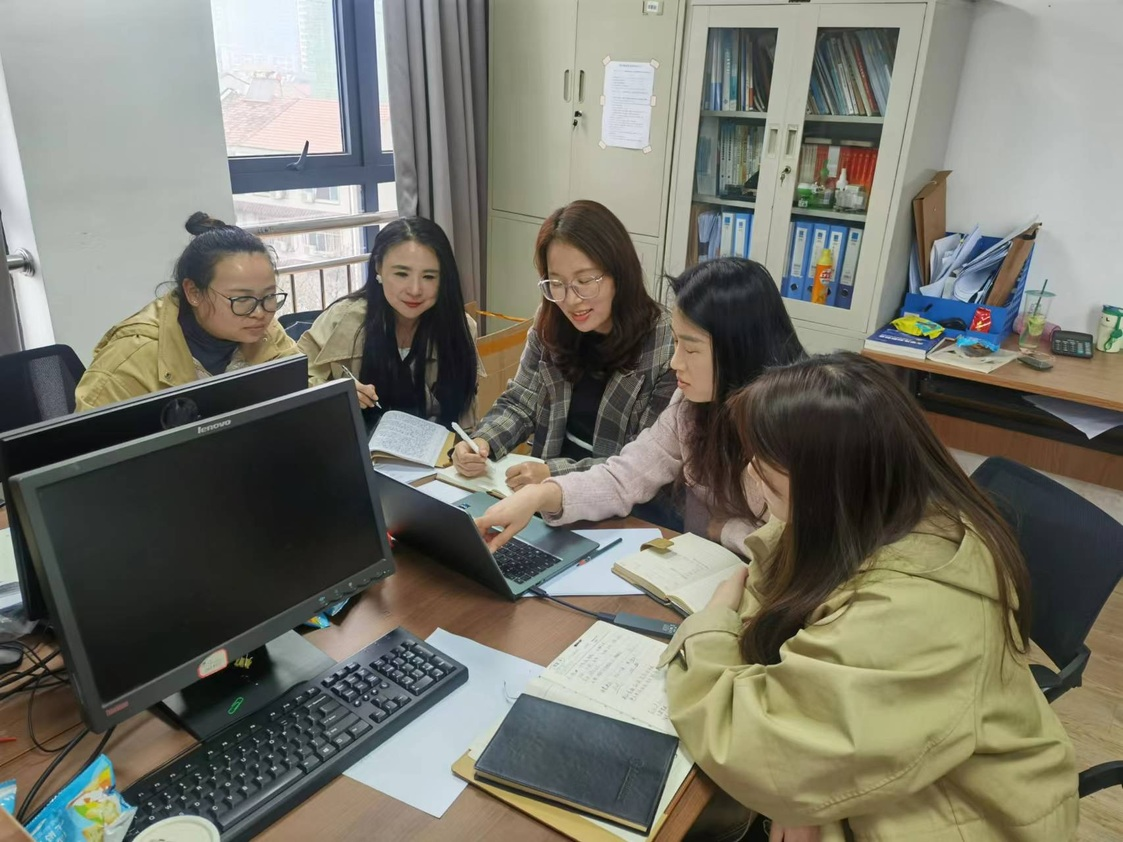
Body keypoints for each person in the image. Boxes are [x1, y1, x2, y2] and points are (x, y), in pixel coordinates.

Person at [660, 353, 1078, 841]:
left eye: (766, 463)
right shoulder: (866, 510)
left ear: (830, 479)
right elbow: (769, 585)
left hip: (957, 819)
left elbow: (761, 752)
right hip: (891, 775)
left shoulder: (915, 611)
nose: (752, 469)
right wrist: (800, 797)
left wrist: (711, 627)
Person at [474, 257, 805, 555]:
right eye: (675, 342)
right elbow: (624, 477)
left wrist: (726, 531)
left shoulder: (795, 424)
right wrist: (540, 496)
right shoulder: (689, 407)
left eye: (691, 349)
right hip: (700, 568)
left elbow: (803, 549)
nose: (675, 362)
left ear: (738, 349)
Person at [451, 199, 675, 492]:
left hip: (622, 504)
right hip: (543, 495)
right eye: (556, 283)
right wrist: (482, 442)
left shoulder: (666, 343)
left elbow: (643, 463)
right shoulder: (551, 321)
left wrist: (553, 473)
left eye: (584, 280)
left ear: (619, 274)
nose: (571, 300)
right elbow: (521, 402)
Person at [75, 213, 299, 411]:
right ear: (193, 292)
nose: (260, 313)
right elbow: (91, 442)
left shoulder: (264, 331)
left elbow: (303, 399)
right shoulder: (130, 360)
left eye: (269, 296)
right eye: (242, 299)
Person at [298, 217, 479, 427]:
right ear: (379, 268)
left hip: (437, 445)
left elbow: (465, 415)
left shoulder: (459, 327)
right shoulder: (341, 319)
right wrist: (335, 394)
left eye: (429, 277)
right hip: (355, 441)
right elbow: (294, 382)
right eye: (401, 274)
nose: (415, 290)